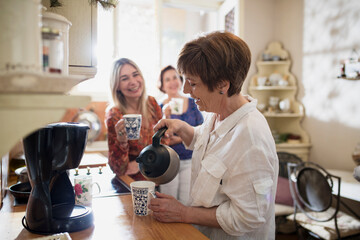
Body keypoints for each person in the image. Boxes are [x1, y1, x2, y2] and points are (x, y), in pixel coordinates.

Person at [149, 31, 279, 240]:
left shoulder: (251, 137)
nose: (185, 90)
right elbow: (209, 142)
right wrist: (183, 128)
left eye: (192, 83)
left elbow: (250, 216)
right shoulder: (218, 114)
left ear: (222, 85)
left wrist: (183, 212)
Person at [105, 58, 168, 181]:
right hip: (131, 183)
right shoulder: (115, 115)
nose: (133, 82)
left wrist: (142, 162)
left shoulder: (152, 104)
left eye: (135, 75)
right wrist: (122, 142)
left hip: (155, 178)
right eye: (124, 78)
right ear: (116, 86)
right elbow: (118, 169)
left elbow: (164, 141)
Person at [158, 65, 204, 204]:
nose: (172, 82)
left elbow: (201, 129)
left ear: (180, 80)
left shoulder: (192, 103)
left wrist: (178, 138)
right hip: (167, 161)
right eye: (167, 79)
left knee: (185, 202)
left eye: (175, 77)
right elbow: (156, 133)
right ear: (162, 85)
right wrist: (164, 114)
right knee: (168, 200)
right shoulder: (159, 106)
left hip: (189, 159)